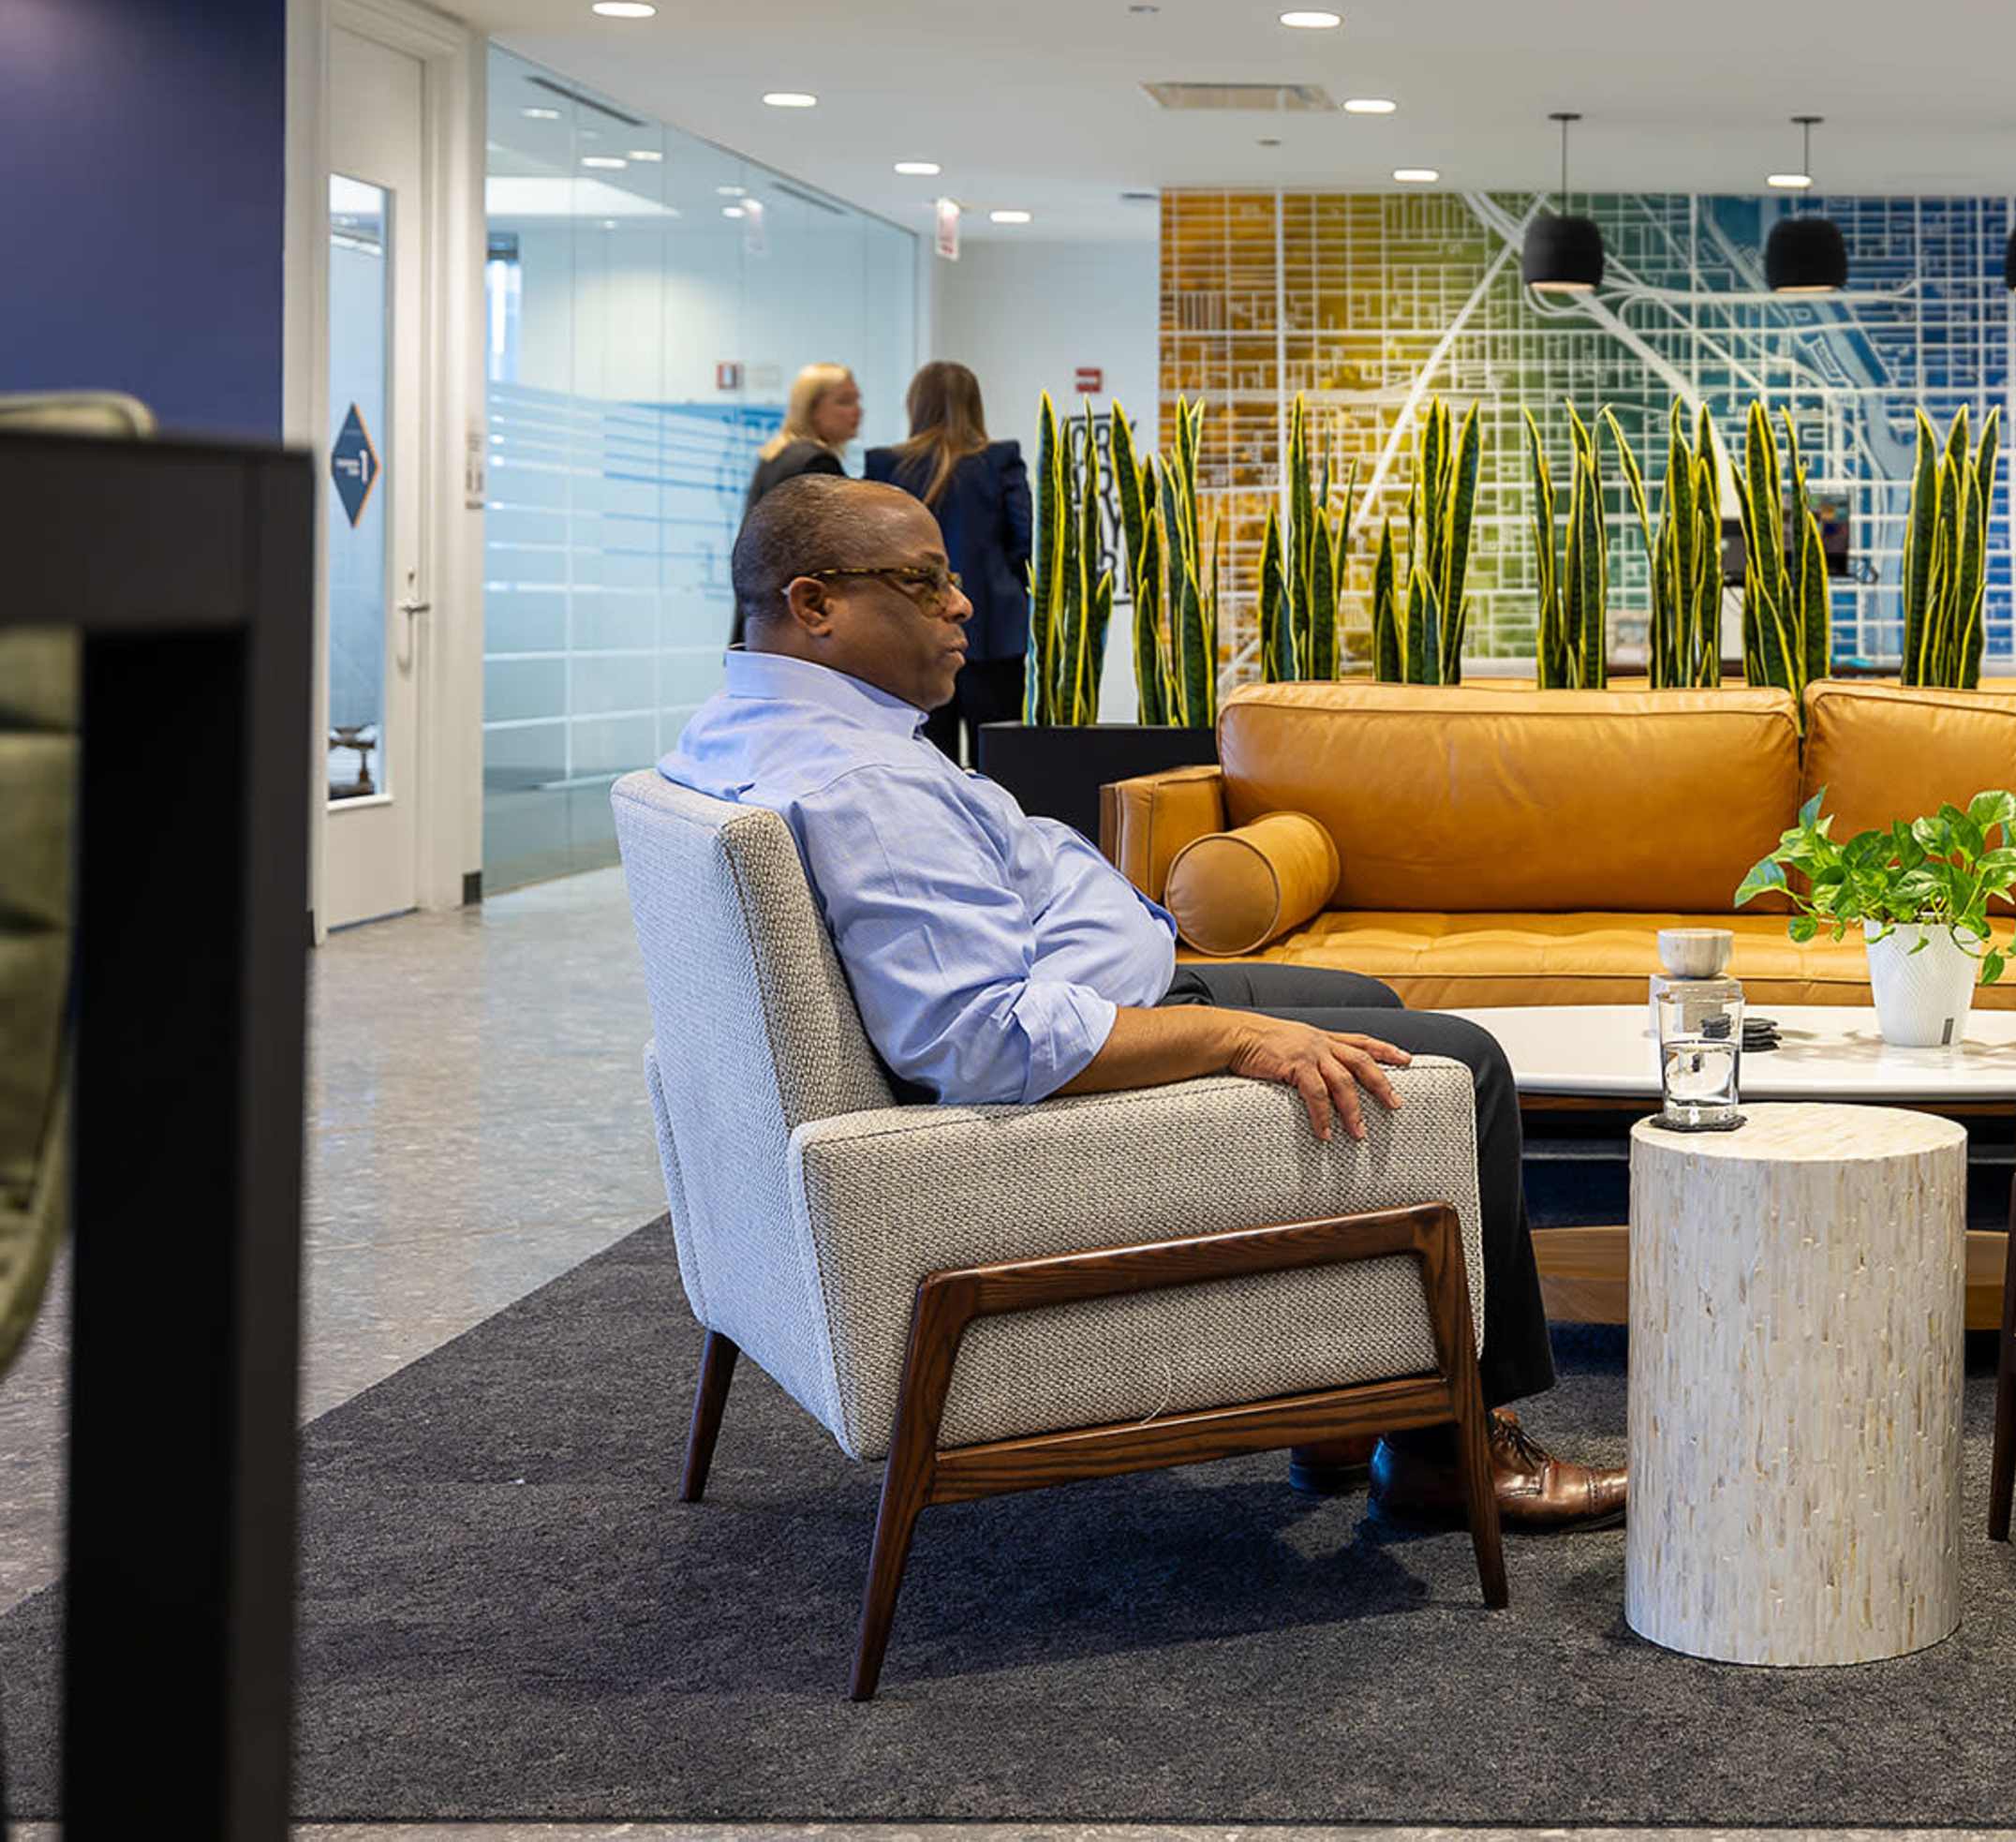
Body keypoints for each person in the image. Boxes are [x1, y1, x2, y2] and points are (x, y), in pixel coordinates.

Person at [659, 473, 1625, 1531]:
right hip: (1069, 1067)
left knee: (1363, 997)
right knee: (1460, 1063)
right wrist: (1226, 1033)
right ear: (815, 605)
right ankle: (1457, 1450)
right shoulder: (863, 782)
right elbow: (984, 1040)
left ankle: (1360, 1390)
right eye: (925, 581)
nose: (964, 604)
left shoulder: (745, 726)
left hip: (1111, 994)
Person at [864, 361, 1030, 765]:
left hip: (911, 628)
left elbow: (872, 548)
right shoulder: (1000, 460)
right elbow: (1024, 541)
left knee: (924, 753)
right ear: (975, 405)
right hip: (993, 630)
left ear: (915, 405)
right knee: (998, 759)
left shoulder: (885, 465)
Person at [730, 362, 863, 648]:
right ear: (812, 409)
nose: (857, 411)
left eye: (857, 400)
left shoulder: (777, 454)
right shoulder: (816, 462)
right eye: (844, 402)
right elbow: (830, 551)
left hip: (763, 618)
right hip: (794, 623)